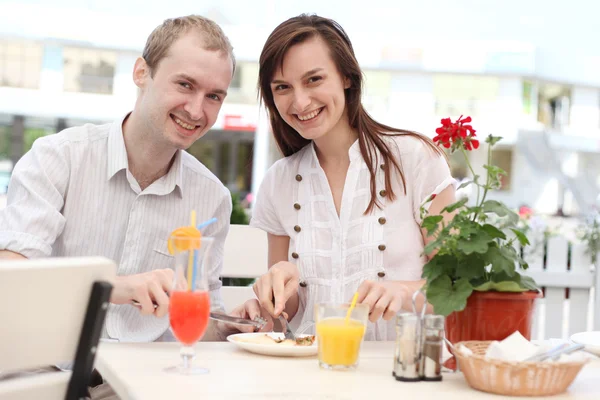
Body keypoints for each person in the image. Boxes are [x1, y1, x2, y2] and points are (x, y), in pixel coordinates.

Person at [0, 15, 235, 343]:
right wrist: (111, 287)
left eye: (214, 96)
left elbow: (204, 321)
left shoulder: (212, 197)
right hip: (46, 370)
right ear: (142, 73)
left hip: (143, 384)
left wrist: (234, 326)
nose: (197, 111)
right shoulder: (58, 157)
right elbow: (10, 277)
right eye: (185, 85)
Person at [230, 14, 456, 341]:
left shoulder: (415, 158)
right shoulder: (278, 181)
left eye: (314, 80)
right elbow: (285, 316)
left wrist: (405, 292)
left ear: (347, 77)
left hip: (400, 371)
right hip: (307, 371)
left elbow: (457, 287)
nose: (300, 101)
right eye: (283, 87)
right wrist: (270, 298)